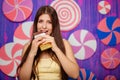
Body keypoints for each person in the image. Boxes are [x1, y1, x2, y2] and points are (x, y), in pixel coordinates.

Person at [17, 5, 79, 80]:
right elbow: (23, 78)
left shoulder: (64, 44)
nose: (44, 26)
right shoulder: (28, 46)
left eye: (49, 22)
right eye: (40, 21)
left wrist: (56, 49)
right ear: (36, 24)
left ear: (54, 25)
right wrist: (32, 52)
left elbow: (75, 74)